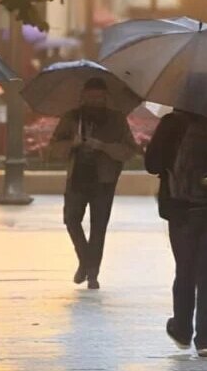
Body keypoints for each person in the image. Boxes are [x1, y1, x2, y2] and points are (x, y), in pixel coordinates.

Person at [146, 110, 207, 357]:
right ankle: (204, 340)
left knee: (185, 270)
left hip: (181, 210)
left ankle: (181, 329)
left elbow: (152, 164)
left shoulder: (172, 124)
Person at [49, 78, 139, 290]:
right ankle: (85, 260)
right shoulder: (71, 117)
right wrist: (72, 144)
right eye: (91, 97)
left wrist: (103, 146)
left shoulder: (116, 120)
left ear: (105, 97)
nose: (95, 101)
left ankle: (92, 274)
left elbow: (129, 150)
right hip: (77, 178)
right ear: (83, 96)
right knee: (71, 220)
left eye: (99, 97)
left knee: (99, 227)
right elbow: (53, 147)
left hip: (103, 180)